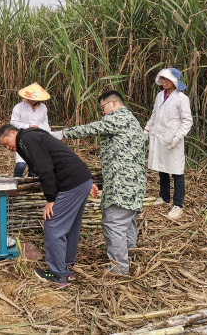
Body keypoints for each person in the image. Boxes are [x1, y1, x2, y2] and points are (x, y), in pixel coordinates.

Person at [54, 90, 147, 275]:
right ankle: (130, 257)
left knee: (114, 224)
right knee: (128, 223)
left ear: (113, 103)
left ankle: (119, 270)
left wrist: (61, 134)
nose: (102, 112)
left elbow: (90, 128)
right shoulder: (132, 121)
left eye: (102, 108)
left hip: (123, 186)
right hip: (135, 185)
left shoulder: (118, 117)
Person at [0, 124, 93, 286]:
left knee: (53, 225)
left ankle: (59, 275)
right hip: (81, 178)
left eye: (6, 142)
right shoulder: (29, 138)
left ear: (13, 133)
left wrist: (50, 199)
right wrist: (86, 182)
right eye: (4, 147)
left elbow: (45, 167)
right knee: (71, 226)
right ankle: (67, 266)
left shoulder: (26, 138)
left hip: (72, 181)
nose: (8, 147)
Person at [144, 68, 193, 220]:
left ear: (175, 81)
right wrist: (146, 129)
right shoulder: (160, 96)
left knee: (177, 172)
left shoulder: (181, 98)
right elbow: (154, 115)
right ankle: (164, 197)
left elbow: (187, 121)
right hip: (159, 138)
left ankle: (178, 204)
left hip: (173, 139)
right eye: (162, 79)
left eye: (167, 79)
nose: (164, 82)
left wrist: (178, 137)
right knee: (162, 168)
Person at [10, 82, 53, 177]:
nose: (33, 100)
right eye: (31, 98)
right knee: (21, 165)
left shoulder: (43, 108)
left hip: (37, 138)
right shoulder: (19, 107)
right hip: (22, 137)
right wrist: (28, 126)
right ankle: (16, 182)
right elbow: (13, 122)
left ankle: (31, 185)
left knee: (34, 164)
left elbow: (45, 122)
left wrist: (45, 131)